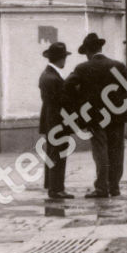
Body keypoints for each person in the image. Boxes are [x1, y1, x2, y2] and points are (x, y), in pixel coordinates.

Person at [64, 32, 127, 199]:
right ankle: (114, 187)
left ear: (88, 51)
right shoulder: (119, 66)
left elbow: (67, 87)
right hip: (116, 116)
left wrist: (79, 103)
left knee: (100, 151)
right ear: (101, 47)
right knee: (117, 151)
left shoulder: (82, 68)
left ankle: (101, 187)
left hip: (93, 117)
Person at [38, 42, 74, 200]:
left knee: (53, 153)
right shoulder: (54, 78)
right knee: (58, 155)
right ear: (61, 59)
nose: (65, 60)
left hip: (50, 120)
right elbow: (64, 100)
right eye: (64, 57)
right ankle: (56, 188)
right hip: (57, 122)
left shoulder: (47, 74)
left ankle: (53, 186)